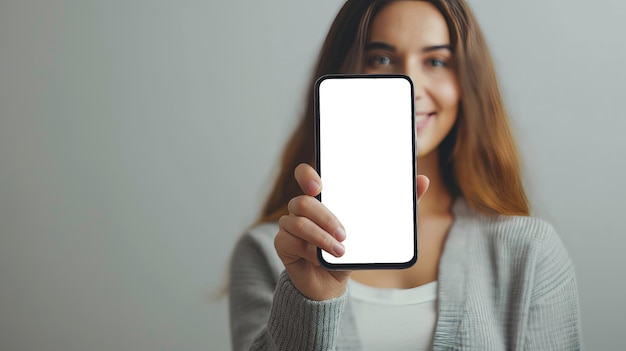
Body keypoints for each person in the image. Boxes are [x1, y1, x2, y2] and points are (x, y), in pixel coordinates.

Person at [228, 0, 583, 350]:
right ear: (342, 73)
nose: (411, 83)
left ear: (467, 83)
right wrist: (311, 301)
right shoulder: (270, 252)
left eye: (436, 61)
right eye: (380, 59)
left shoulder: (530, 251)